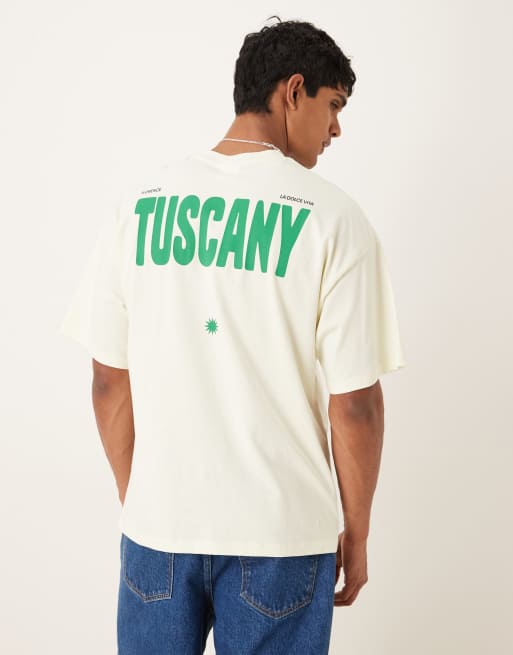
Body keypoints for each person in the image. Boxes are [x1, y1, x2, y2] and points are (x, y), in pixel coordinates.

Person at [58, 16, 405, 654]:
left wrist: (146, 501)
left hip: (157, 534)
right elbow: (355, 403)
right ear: (292, 91)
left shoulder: (139, 206)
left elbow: (108, 380)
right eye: (333, 105)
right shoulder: (333, 218)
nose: (336, 129)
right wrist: (357, 532)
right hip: (281, 536)